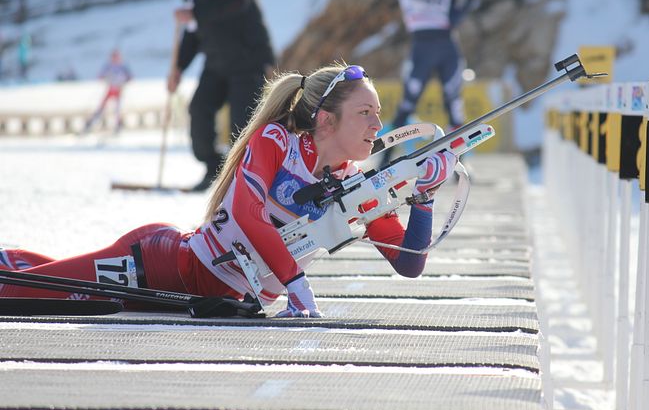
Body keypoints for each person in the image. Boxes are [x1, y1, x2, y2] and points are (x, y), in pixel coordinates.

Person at [0, 64, 457, 318]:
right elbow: (246, 212)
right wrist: (296, 284)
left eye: (379, 115)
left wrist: (424, 198)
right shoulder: (278, 141)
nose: (379, 125)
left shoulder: (354, 186)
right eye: (365, 113)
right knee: (27, 292)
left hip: (214, 300)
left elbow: (409, 263)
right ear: (325, 119)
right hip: (165, 265)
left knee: (45, 279)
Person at [164, 0, 276, 191]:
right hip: (216, 62)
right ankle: (214, 169)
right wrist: (178, 67)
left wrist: (195, 13)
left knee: (243, 124)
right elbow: (194, 33)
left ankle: (246, 181)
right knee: (199, 109)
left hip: (247, 58)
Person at [382, 0, 479, 163]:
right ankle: (384, 161)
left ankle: (459, 164)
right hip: (421, 49)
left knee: (454, 106)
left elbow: (452, 19)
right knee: (406, 105)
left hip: (446, 47)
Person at [82, 49, 131, 133]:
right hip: (111, 89)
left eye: (116, 57)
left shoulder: (123, 66)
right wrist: (104, 78)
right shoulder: (108, 66)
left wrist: (124, 81)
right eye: (113, 57)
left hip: (118, 89)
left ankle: (118, 125)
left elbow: (130, 76)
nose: (115, 59)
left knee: (117, 109)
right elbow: (100, 75)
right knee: (102, 107)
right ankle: (91, 123)